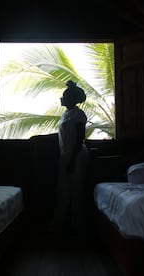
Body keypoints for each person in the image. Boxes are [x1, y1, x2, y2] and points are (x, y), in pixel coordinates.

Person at [49, 80, 89, 235]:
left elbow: (80, 139)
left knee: (76, 191)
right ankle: (61, 223)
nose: (61, 98)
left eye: (64, 95)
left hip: (76, 156)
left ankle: (77, 225)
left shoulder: (78, 114)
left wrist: (72, 159)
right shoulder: (66, 114)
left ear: (72, 98)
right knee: (63, 190)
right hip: (67, 156)